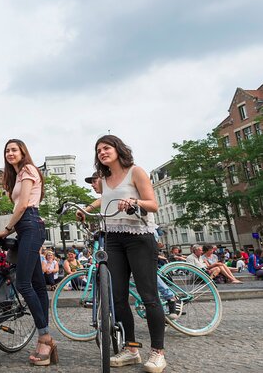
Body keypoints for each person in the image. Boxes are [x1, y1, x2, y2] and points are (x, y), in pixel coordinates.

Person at [80, 135, 165, 372]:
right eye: (98, 150)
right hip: (112, 238)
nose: (102, 152)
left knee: (149, 296)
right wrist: (85, 210)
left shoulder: (136, 172)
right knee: (117, 297)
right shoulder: (104, 180)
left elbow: (153, 204)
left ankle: (158, 352)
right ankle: (131, 349)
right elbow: (103, 202)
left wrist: (134, 201)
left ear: (118, 149)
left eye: (106, 148)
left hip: (139, 236)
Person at [0, 139, 56, 366]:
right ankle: (44, 337)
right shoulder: (16, 176)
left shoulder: (28, 169)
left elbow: (22, 206)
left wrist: (6, 229)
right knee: (38, 285)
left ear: (22, 152)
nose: (10, 153)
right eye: (7, 151)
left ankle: (45, 338)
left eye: (14, 150)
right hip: (25, 227)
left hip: (29, 223)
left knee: (23, 284)